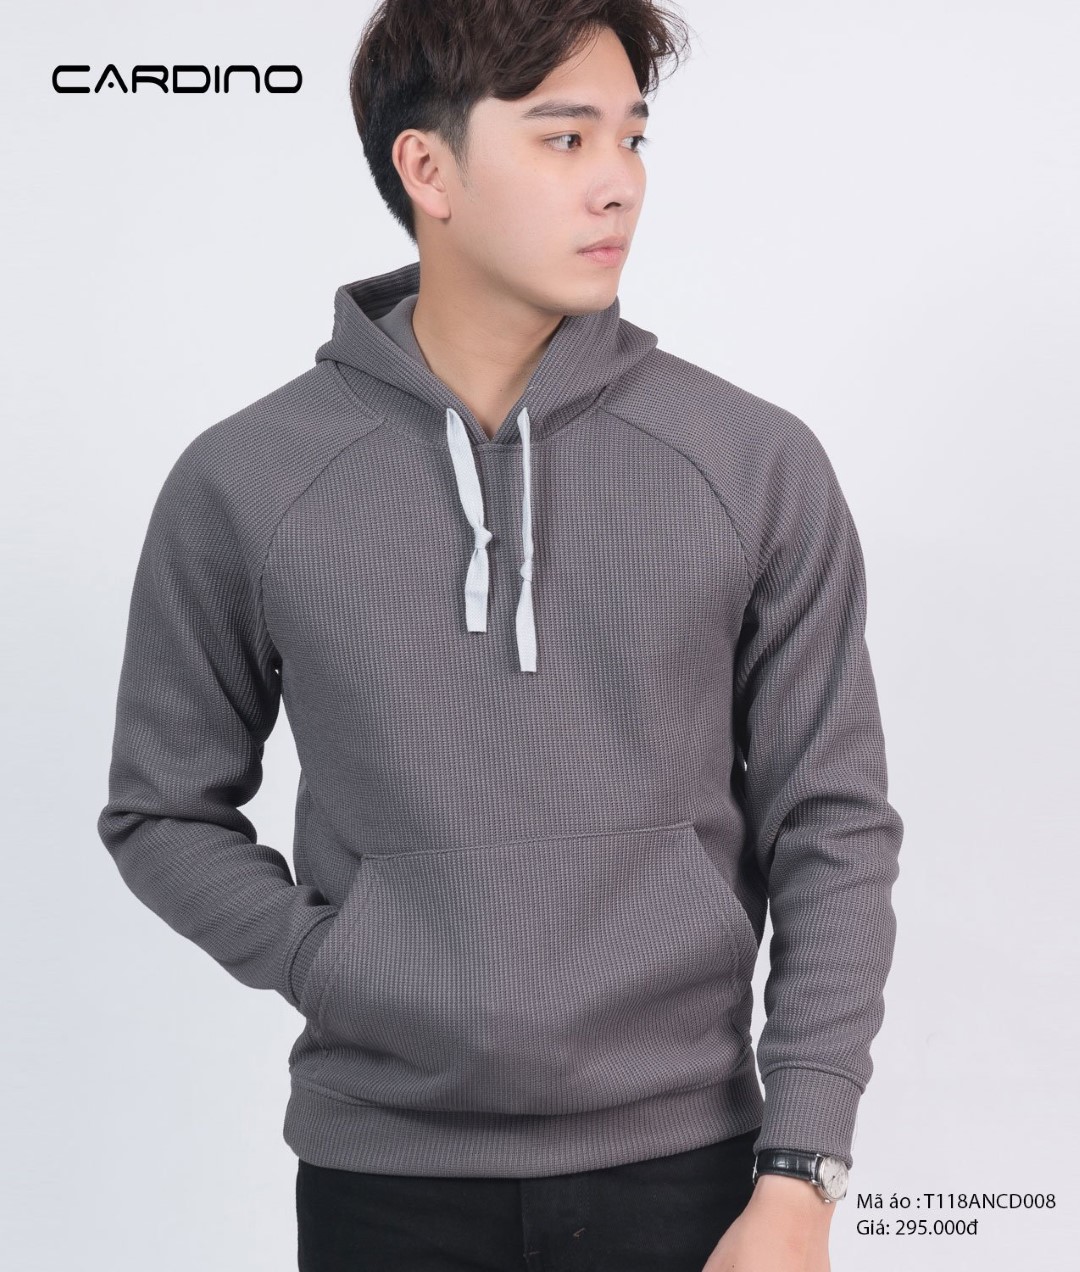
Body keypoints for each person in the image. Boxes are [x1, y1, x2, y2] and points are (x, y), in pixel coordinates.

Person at [96, 2, 904, 1269]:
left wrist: (804, 1172)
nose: (618, 183)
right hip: (384, 1182)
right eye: (564, 139)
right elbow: (160, 810)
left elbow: (833, 822)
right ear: (429, 169)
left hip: (693, 1174)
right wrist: (334, 961)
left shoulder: (753, 464)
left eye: (632, 138)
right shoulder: (248, 481)